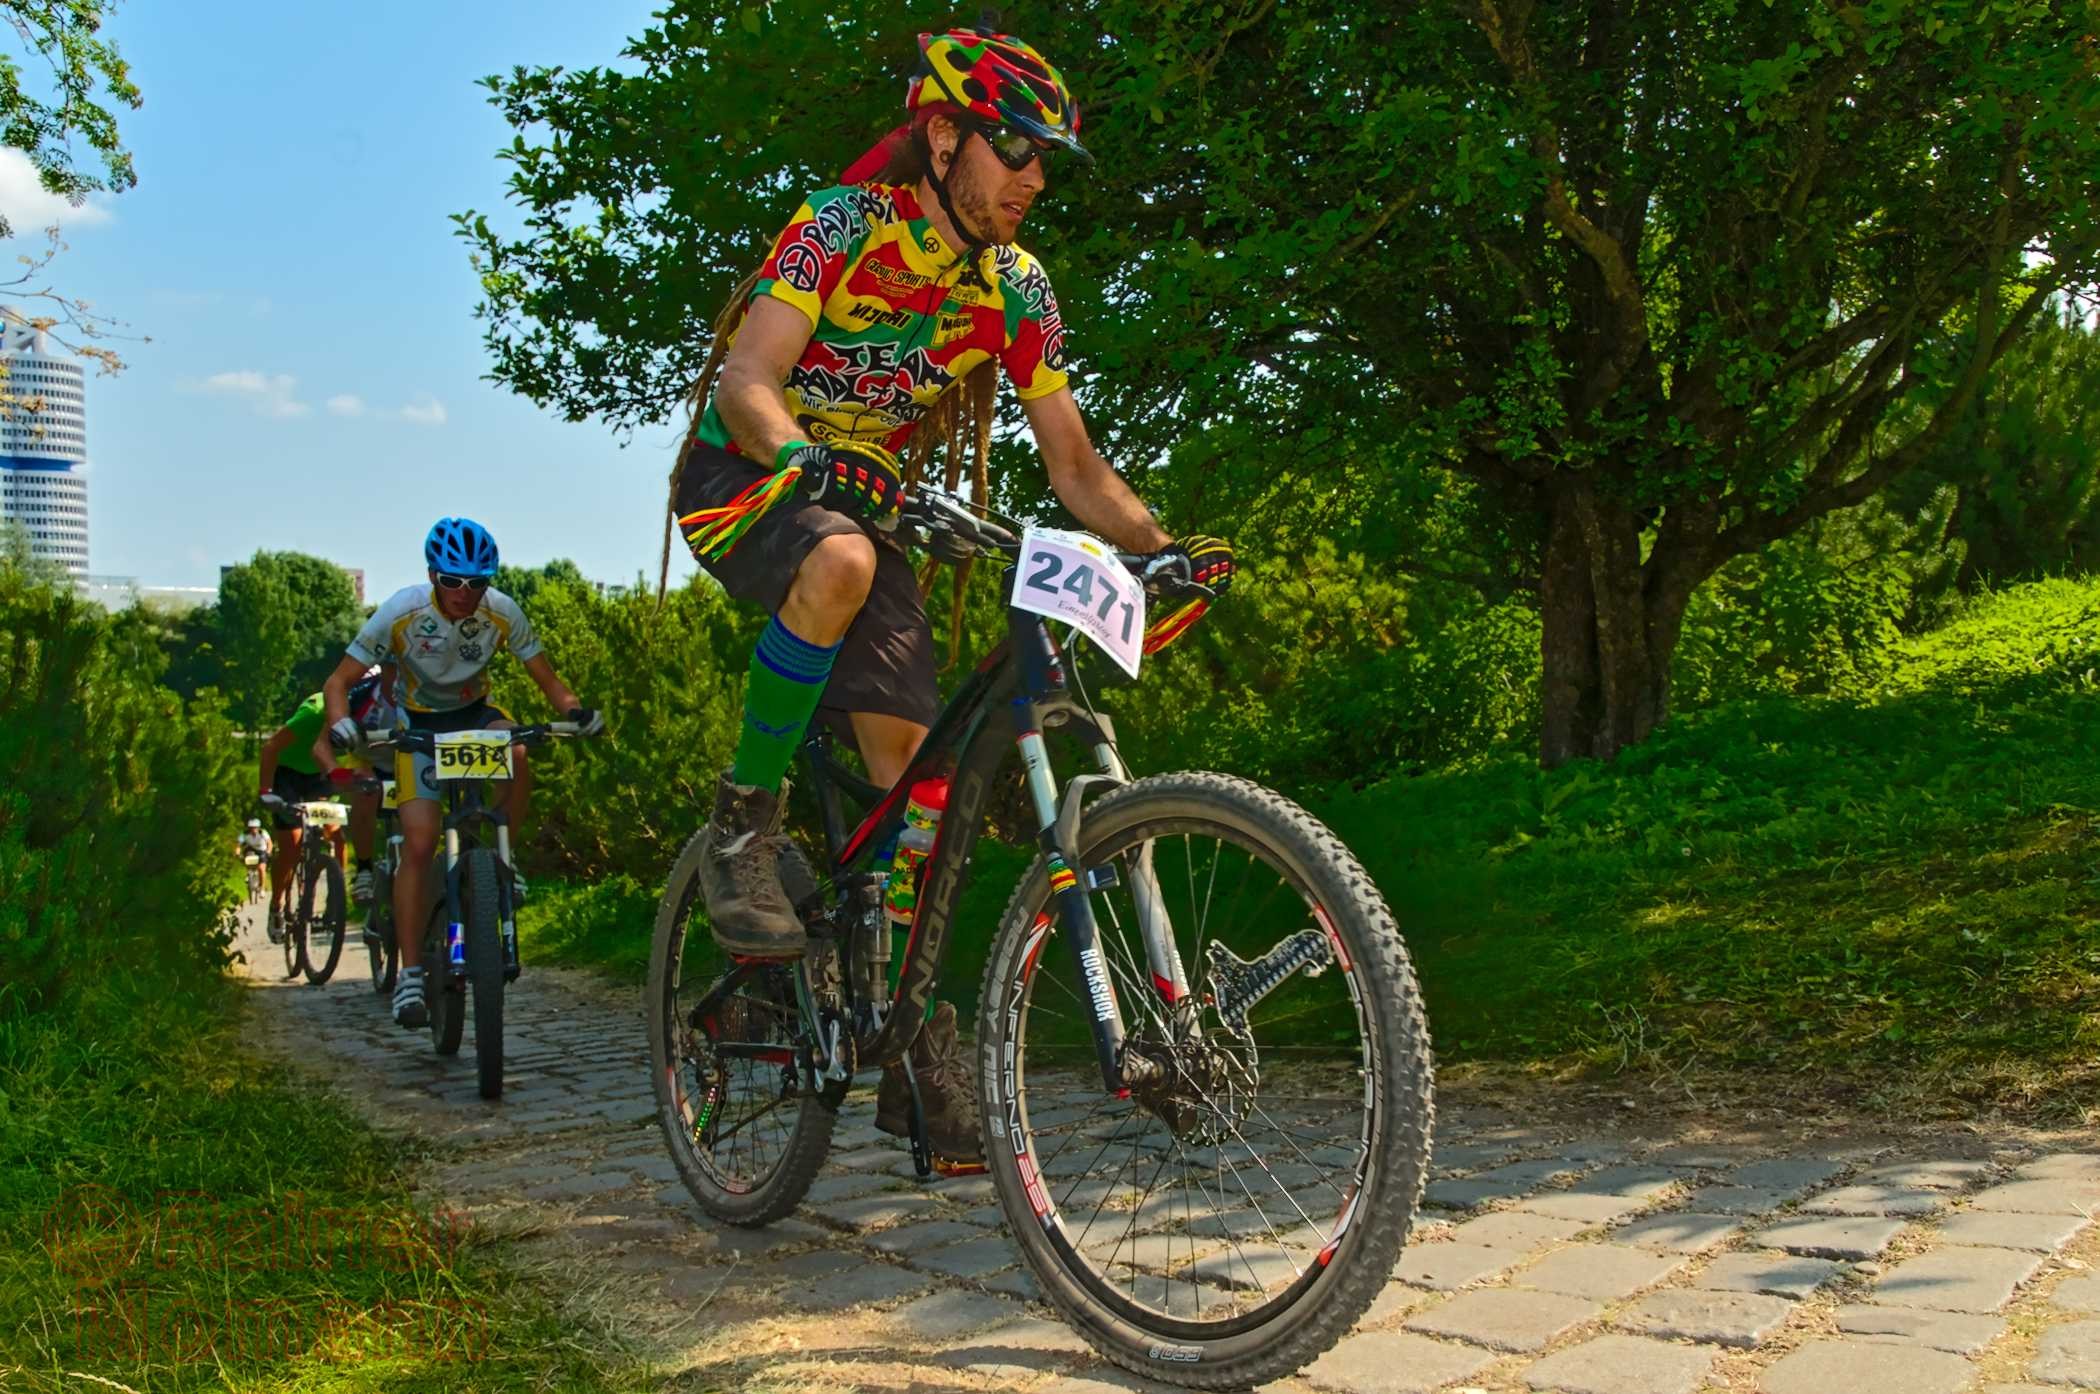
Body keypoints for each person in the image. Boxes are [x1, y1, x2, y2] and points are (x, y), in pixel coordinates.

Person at [665, 28, 1237, 1169]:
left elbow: (1074, 464)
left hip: (867, 511)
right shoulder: (841, 224)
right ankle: (742, 822)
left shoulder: (1017, 287)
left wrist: (1158, 549)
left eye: (1046, 160)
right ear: (941, 136)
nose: (1034, 178)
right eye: (1015, 148)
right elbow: (748, 377)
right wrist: (802, 454)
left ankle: (906, 1020)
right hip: (753, 476)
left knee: (919, 788)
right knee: (841, 563)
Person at [318, 517, 604, 1030]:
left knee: (518, 750)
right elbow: (337, 682)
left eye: (477, 582)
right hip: (418, 726)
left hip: (475, 716)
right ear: (433, 576)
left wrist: (575, 711)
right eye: (453, 580)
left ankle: (501, 859)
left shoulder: (502, 612)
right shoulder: (400, 612)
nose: (465, 593)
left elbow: (548, 679)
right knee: (419, 843)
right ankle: (410, 974)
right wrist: (341, 723)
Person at [254, 679, 383, 939]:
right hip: (287, 773)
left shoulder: (371, 713)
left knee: (335, 833)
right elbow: (270, 747)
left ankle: (335, 896)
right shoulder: (314, 711)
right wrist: (265, 791)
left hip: (321, 774)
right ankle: (277, 904)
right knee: (291, 844)